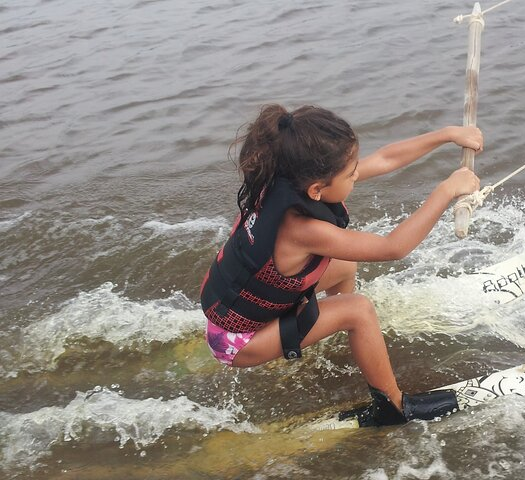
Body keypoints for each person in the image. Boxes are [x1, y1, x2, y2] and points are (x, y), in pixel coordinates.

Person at [200, 104, 482, 426]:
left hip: (239, 308)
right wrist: (446, 190)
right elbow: (394, 247)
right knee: (358, 310)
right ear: (317, 190)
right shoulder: (303, 229)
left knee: (345, 266)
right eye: (350, 174)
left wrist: (448, 135)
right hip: (239, 342)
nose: (357, 174)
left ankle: (338, 338)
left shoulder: (285, 178)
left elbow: (386, 159)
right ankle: (393, 406)